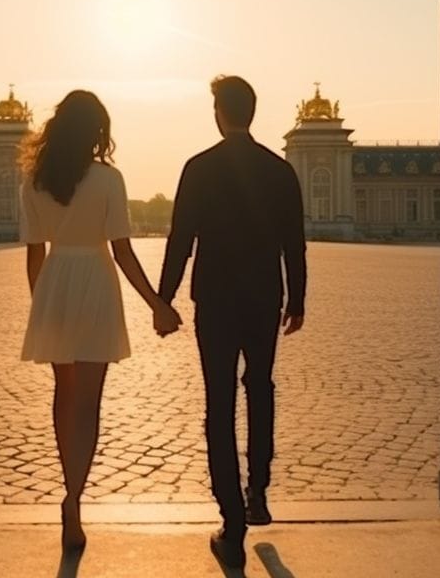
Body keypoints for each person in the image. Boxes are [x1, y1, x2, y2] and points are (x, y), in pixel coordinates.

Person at [18, 90, 183, 553]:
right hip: (94, 278)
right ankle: (74, 496)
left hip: (54, 282)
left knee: (62, 395)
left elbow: (34, 252)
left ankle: (69, 492)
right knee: (89, 402)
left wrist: (41, 304)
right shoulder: (109, 179)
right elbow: (122, 250)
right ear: (97, 133)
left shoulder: (33, 181)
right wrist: (156, 303)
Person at [159, 76, 306, 569]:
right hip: (265, 298)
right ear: (252, 112)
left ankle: (232, 522)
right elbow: (294, 243)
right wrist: (298, 301)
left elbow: (181, 237)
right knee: (260, 388)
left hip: (216, 301)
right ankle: (258, 491)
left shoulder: (198, 168)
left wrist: (165, 298)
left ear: (219, 113)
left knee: (218, 404)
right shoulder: (281, 170)